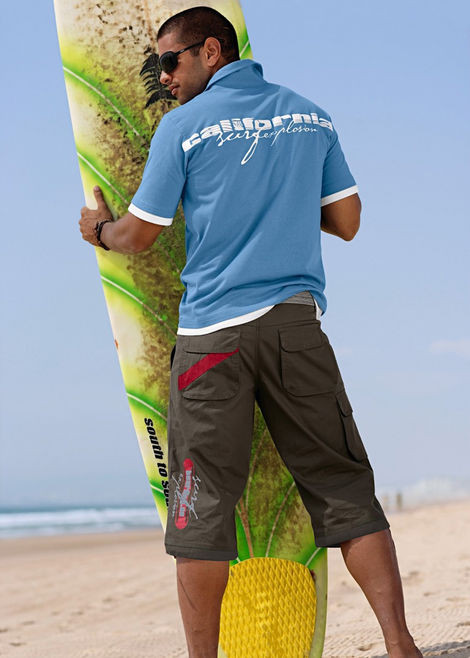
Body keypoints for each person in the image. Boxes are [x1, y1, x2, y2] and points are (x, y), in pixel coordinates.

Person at [79, 6, 423, 657]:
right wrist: (280, 200)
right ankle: (400, 645)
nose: (163, 77)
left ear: (212, 51)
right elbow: (348, 221)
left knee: (200, 511)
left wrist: (97, 229)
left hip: (212, 340)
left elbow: (140, 235)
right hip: (296, 330)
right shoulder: (311, 116)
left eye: (170, 62)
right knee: (347, 492)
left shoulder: (183, 127)